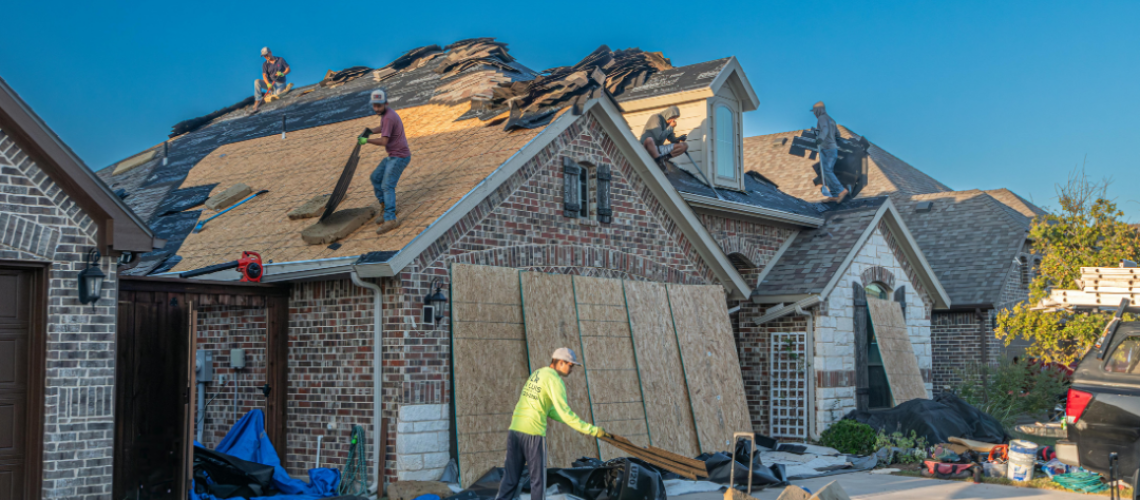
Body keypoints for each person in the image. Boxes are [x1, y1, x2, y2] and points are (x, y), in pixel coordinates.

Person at [494, 348, 609, 500]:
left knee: (511, 478)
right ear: (560, 362)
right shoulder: (555, 380)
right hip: (533, 433)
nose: (571, 369)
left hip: (515, 430)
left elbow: (551, 411)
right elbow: (565, 413)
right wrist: (592, 430)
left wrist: (570, 420)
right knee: (538, 481)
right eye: (570, 365)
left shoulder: (538, 374)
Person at [359, 89, 411, 235]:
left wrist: (366, 140)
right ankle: (386, 206)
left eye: (379, 106)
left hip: (399, 156)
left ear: (385, 104)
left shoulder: (388, 117)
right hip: (393, 155)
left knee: (387, 185)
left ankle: (390, 219)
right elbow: (383, 128)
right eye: (375, 106)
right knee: (375, 178)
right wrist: (370, 131)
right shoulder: (387, 115)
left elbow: (383, 141)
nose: (376, 109)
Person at [812, 101, 847, 202]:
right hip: (833, 148)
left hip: (826, 149)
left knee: (826, 170)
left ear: (819, 110)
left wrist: (820, 139)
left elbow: (825, 129)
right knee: (827, 171)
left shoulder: (822, 118)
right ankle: (835, 194)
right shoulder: (832, 120)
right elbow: (838, 134)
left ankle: (840, 190)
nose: (814, 113)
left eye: (815, 111)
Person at [251, 47, 292, 113]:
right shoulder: (265, 64)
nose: (266, 57)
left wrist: (282, 73)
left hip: (280, 83)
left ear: (270, 53)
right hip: (270, 83)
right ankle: (258, 100)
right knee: (257, 82)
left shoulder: (280, 60)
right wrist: (268, 84)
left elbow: (288, 69)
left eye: (266, 55)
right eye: (264, 56)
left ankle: (270, 96)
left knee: (277, 95)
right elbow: (264, 75)